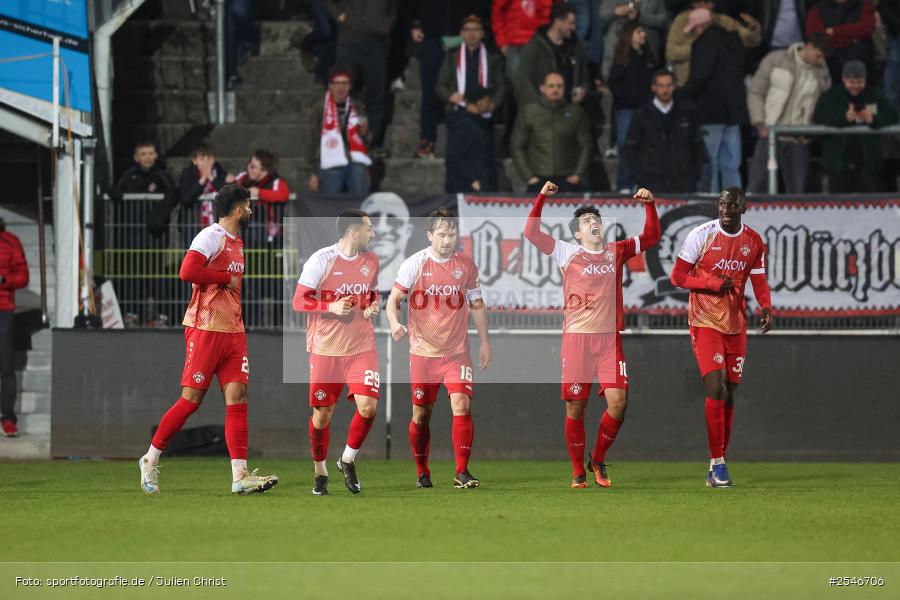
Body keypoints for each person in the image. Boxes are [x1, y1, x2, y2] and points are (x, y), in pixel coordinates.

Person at [137, 185, 279, 495]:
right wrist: (224, 278)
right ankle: (150, 459)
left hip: (233, 332)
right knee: (191, 401)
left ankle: (239, 475)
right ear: (238, 208)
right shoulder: (210, 236)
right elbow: (187, 270)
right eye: (249, 205)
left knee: (238, 397)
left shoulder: (237, 241)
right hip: (205, 328)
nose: (252, 210)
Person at [524, 182, 660, 488]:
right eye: (586, 222)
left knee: (619, 403)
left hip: (609, 340)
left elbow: (652, 237)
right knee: (576, 406)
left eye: (596, 220)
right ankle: (577, 471)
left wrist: (650, 205)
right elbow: (531, 233)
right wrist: (542, 197)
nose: (593, 224)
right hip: (577, 339)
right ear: (577, 233)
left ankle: (597, 458)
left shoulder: (618, 251)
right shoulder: (567, 252)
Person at [669, 187, 773, 488]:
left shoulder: (753, 241)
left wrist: (766, 306)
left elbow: (758, 278)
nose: (725, 208)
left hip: (736, 323)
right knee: (716, 388)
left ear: (743, 207)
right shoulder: (700, 235)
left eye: (732, 204)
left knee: (729, 393)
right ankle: (718, 463)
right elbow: (677, 277)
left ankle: (718, 461)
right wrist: (710, 283)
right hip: (704, 320)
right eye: (722, 203)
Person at [385, 209, 490, 489]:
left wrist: (485, 342)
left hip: (457, 352)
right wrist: (395, 322)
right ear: (430, 235)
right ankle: (422, 471)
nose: (447, 239)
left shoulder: (466, 264)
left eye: (451, 234)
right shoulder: (414, 264)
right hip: (423, 354)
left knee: (462, 405)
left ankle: (462, 472)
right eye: (442, 234)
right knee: (421, 414)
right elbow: (394, 299)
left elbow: (477, 304)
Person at [292, 209, 381, 496]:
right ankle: (320, 471)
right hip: (326, 348)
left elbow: (371, 293)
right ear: (353, 232)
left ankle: (347, 459)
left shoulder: (371, 261)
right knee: (322, 415)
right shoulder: (322, 260)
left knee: (368, 408)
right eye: (369, 228)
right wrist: (328, 307)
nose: (373, 233)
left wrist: (372, 306)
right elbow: (298, 301)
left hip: (361, 346)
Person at [746, 34, 832, 194]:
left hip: (798, 139)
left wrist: (812, 133)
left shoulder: (822, 71)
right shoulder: (776, 59)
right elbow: (756, 92)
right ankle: (747, 218)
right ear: (809, 46)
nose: (821, 60)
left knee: (796, 193)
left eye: (823, 57)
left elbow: (823, 106)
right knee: (757, 187)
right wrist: (759, 123)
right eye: (818, 55)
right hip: (770, 134)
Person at [435, 14, 507, 193]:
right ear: (462, 33)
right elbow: (440, 86)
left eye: (476, 30)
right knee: (457, 155)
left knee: (482, 157)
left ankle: (482, 189)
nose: (472, 34)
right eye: (467, 30)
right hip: (459, 112)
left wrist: (492, 105)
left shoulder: (492, 57)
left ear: (482, 33)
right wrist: (454, 97)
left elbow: (502, 87)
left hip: (484, 113)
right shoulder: (452, 56)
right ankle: (456, 193)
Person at [682, 8, 750, 193]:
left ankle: (709, 208)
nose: (693, 32)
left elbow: (700, 78)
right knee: (731, 164)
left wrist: (681, 94)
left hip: (711, 111)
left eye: (694, 28)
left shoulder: (704, 44)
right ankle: (735, 207)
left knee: (709, 164)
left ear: (702, 26)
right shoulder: (733, 42)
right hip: (734, 111)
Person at [323, 0, 400, 154]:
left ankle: (373, 143)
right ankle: (342, 142)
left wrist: (387, 24)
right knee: (343, 93)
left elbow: (395, 5)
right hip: (349, 39)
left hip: (377, 42)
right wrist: (340, 16)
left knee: (377, 95)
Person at [812, 60, 899, 193]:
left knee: (868, 209)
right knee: (838, 208)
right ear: (843, 79)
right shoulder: (831, 96)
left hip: (868, 166)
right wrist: (843, 119)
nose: (856, 86)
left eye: (859, 82)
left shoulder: (875, 95)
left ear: (865, 80)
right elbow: (819, 116)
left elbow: (892, 116)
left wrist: (873, 119)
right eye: (852, 82)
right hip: (838, 166)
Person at [623, 69, 706, 193]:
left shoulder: (687, 113)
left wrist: (694, 176)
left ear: (674, 87)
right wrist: (640, 177)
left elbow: (698, 147)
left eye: (668, 85)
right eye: (661, 85)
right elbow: (630, 148)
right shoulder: (641, 115)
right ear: (653, 87)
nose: (665, 90)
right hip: (651, 185)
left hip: (683, 184)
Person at [512, 72, 593, 193]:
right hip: (539, 178)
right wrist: (528, 177)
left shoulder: (576, 113)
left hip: (568, 178)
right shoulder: (529, 113)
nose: (555, 89)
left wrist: (578, 174)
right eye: (551, 86)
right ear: (542, 88)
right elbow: (517, 145)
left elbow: (586, 145)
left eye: (559, 86)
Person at [607, 21, 657, 193]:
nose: (642, 34)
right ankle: (624, 184)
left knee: (643, 146)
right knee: (625, 146)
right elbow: (613, 82)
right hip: (626, 109)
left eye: (642, 31)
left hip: (645, 110)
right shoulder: (622, 58)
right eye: (638, 31)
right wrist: (626, 98)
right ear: (629, 35)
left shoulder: (647, 56)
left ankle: (639, 183)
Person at [308, 67, 372, 194]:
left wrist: (365, 133)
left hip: (355, 161)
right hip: (330, 162)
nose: (341, 87)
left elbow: (367, 140)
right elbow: (311, 141)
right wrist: (312, 173)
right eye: (337, 83)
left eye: (345, 83)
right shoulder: (319, 109)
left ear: (350, 86)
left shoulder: (358, 107)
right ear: (330, 86)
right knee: (330, 205)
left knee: (358, 202)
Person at [666, 0, 761, 86]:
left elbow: (749, 41)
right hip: (688, 80)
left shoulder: (724, 21)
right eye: (698, 2)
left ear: (713, 4)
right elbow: (670, 53)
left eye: (707, 2)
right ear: (692, 3)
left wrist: (753, 28)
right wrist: (698, 47)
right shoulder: (681, 20)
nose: (702, 5)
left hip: (719, 83)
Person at [515, 3, 590, 106]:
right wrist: (537, 106)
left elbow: (584, 74)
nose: (573, 27)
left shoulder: (576, 46)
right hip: (542, 114)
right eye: (570, 23)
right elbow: (523, 79)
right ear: (558, 22)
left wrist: (582, 89)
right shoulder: (535, 46)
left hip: (568, 111)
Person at [109, 141, 178, 238]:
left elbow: (174, 194)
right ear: (136, 158)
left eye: (150, 153)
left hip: (155, 231)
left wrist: (158, 216)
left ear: (156, 156)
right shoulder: (128, 175)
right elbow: (115, 190)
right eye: (143, 154)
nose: (147, 157)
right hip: (132, 228)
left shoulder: (162, 176)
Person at [0, 219, 28, 437]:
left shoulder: (11, 242)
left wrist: (4, 279)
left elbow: (23, 276)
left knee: (6, 366)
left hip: (4, 311)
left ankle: (8, 417)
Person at [806, 0, 876, 84]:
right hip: (829, 69)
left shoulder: (864, 5)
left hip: (861, 68)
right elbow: (817, 38)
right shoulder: (816, 9)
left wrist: (835, 31)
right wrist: (852, 39)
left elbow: (867, 29)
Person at [599, 0, 669, 81]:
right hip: (616, 45)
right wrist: (615, 12)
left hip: (647, 48)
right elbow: (602, 15)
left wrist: (640, 16)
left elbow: (663, 19)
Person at [360, 193, 414, 292]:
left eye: (393, 221)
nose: (381, 228)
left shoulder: (420, 279)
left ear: (408, 231)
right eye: (372, 220)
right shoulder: (343, 277)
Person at [235, 148, 290, 242]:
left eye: (253, 167)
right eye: (250, 165)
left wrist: (259, 193)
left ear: (264, 171)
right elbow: (229, 188)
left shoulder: (275, 181)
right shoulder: (244, 178)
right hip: (245, 232)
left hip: (272, 236)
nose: (249, 168)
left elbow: (283, 194)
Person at [492, 0, 554, 80]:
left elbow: (546, 15)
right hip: (514, 44)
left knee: (539, 81)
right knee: (513, 82)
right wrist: (502, 41)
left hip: (536, 44)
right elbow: (497, 11)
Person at [178, 144, 231, 227]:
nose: (206, 162)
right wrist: (202, 181)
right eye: (202, 159)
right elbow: (185, 198)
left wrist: (212, 178)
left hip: (217, 225)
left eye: (209, 158)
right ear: (195, 161)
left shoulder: (220, 173)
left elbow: (228, 195)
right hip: (193, 224)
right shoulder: (188, 173)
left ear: (214, 160)